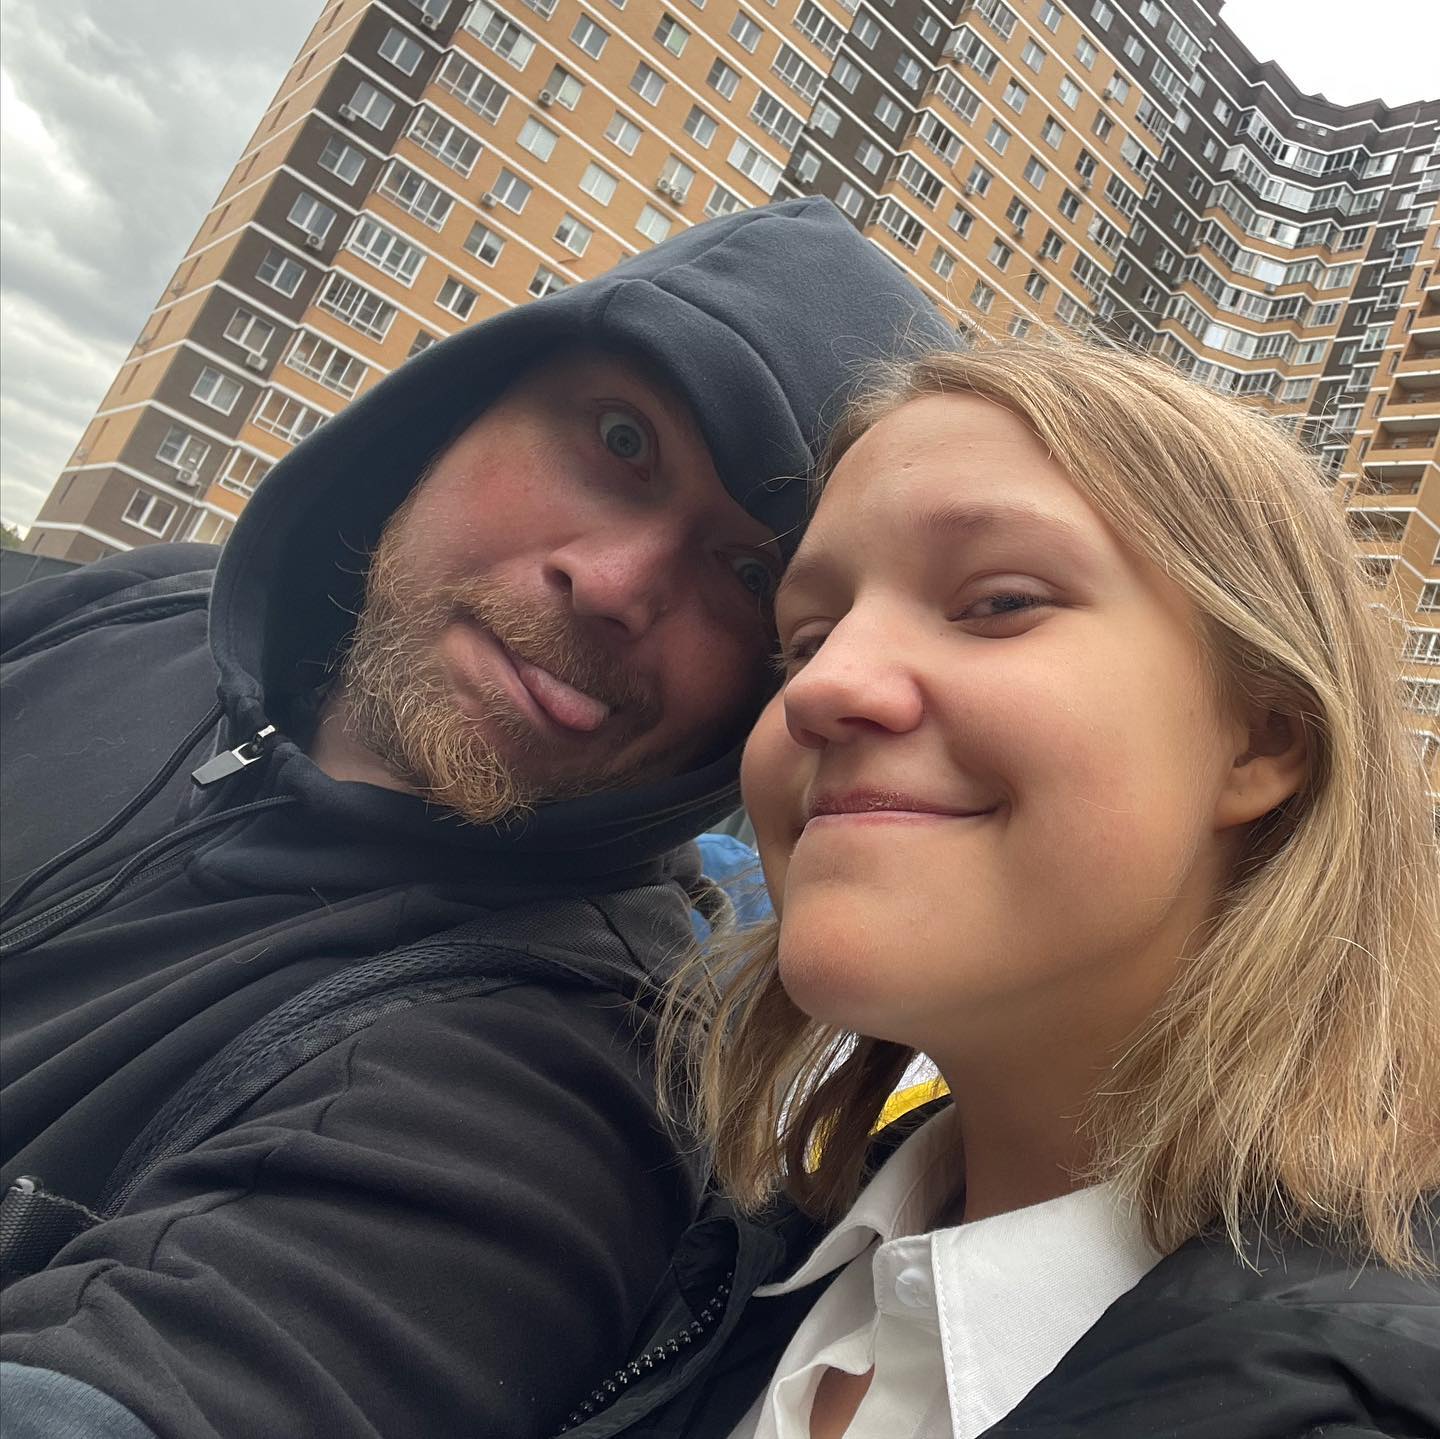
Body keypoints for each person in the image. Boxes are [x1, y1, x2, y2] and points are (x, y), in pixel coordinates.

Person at [0, 198, 945, 1439]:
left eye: (751, 571)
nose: (613, 586)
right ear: (459, 405)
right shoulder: (134, 611)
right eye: (620, 440)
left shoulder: (561, 1089)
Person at [553, 335, 1440, 1438]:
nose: (823, 686)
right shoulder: (735, 1264)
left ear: (1263, 735)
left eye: (999, 601)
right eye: (806, 638)